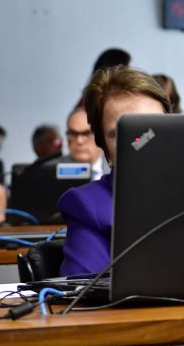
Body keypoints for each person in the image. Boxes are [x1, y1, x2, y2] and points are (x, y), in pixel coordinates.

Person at [59, 66, 170, 276]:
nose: (142, 142)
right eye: (119, 133)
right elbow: (83, 291)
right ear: (103, 145)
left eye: (153, 126)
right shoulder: (88, 205)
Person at [62, 108, 109, 181]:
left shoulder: (120, 169)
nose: (79, 141)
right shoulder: (51, 173)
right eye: (73, 133)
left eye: (87, 133)